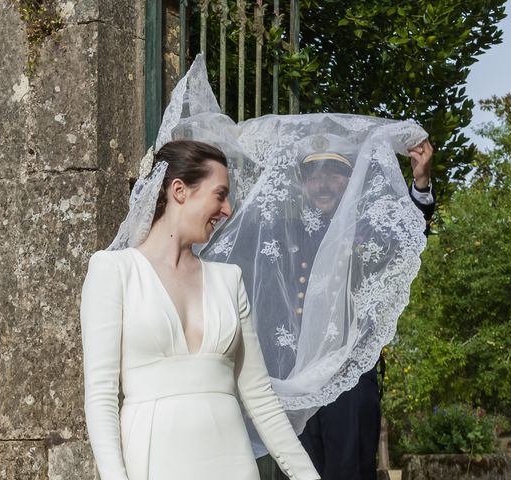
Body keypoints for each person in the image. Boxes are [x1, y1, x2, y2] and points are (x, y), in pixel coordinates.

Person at [80, 140, 320, 480]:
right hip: (152, 459)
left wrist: (308, 477)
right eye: (220, 194)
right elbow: (101, 396)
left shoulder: (228, 280)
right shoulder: (113, 271)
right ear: (180, 190)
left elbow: (261, 398)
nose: (228, 210)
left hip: (232, 461)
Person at [293, 137, 436, 480]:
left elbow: (410, 229)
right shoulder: (290, 231)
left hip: (350, 379)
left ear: (350, 179)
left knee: (349, 472)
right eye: (314, 175)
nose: (322, 184)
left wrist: (421, 182)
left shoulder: (369, 226)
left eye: (333, 174)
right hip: (299, 379)